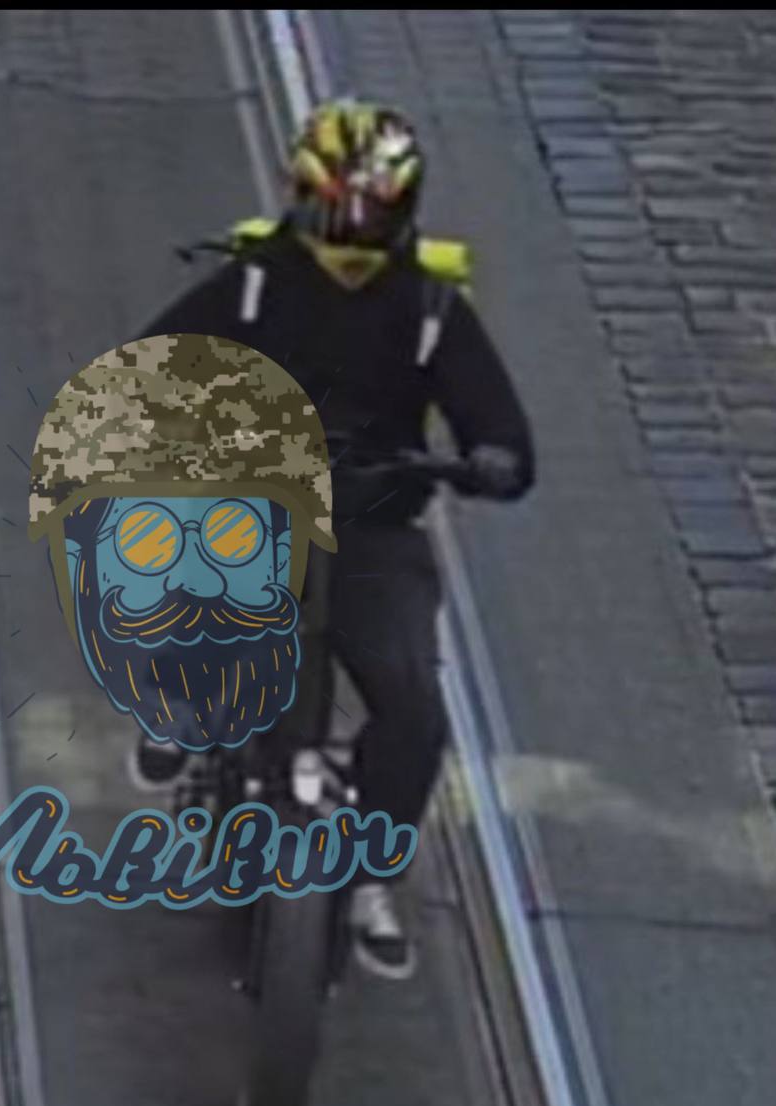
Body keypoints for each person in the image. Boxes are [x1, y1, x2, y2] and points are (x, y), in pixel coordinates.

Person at [129, 99, 534, 980]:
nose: (351, 234)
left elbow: (496, 419)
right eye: (334, 210)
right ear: (299, 197)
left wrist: (493, 458)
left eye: (372, 214)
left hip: (371, 524)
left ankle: (367, 878)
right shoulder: (253, 284)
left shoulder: (430, 309)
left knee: (414, 713)